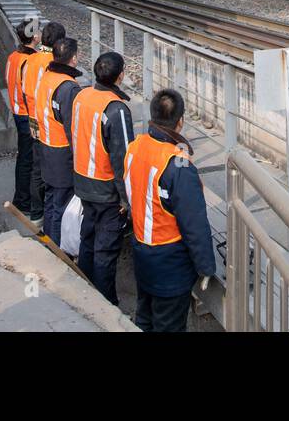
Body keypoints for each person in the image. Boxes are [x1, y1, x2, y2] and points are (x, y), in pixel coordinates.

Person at [124, 88, 216, 332]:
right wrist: (206, 266)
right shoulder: (178, 164)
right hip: (170, 264)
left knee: (144, 318)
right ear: (181, 121)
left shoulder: (135, 147)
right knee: (169, 325)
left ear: (152, 115)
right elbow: (194, 223)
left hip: (142, 252)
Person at [66, 51, 135, 304]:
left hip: (82, 183)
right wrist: (126, 199)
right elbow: (123, 159)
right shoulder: (116, 110)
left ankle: (83, 293)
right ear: (120, 76)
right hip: (107, 192)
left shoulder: (82, 96)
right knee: (105, 250)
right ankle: (105, 306)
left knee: (88, 239)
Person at [33, 35, 81, 242]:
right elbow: (73, 128)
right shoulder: (68, 87)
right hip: (62, 152)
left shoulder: (47, 76)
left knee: (52, 199)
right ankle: (57, 249)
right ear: (74, 58)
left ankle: (48, 239)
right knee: (62, 203)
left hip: (46, 145)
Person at [21, 20, 64, 223]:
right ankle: (50, 215)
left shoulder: (30, 59)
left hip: (32, 119)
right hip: (49, 123)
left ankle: (35, 212)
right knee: (53, 170)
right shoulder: (52, 64)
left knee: (36, 167)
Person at [3, 19, 39, 215]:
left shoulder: (13, 56)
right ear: (34, 37)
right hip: (27, 115)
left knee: (24, 157)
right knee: (28, 160)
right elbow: (31, 91)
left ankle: (23, 199)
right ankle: (23, 201)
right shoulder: (29, 61)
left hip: (18, 111)